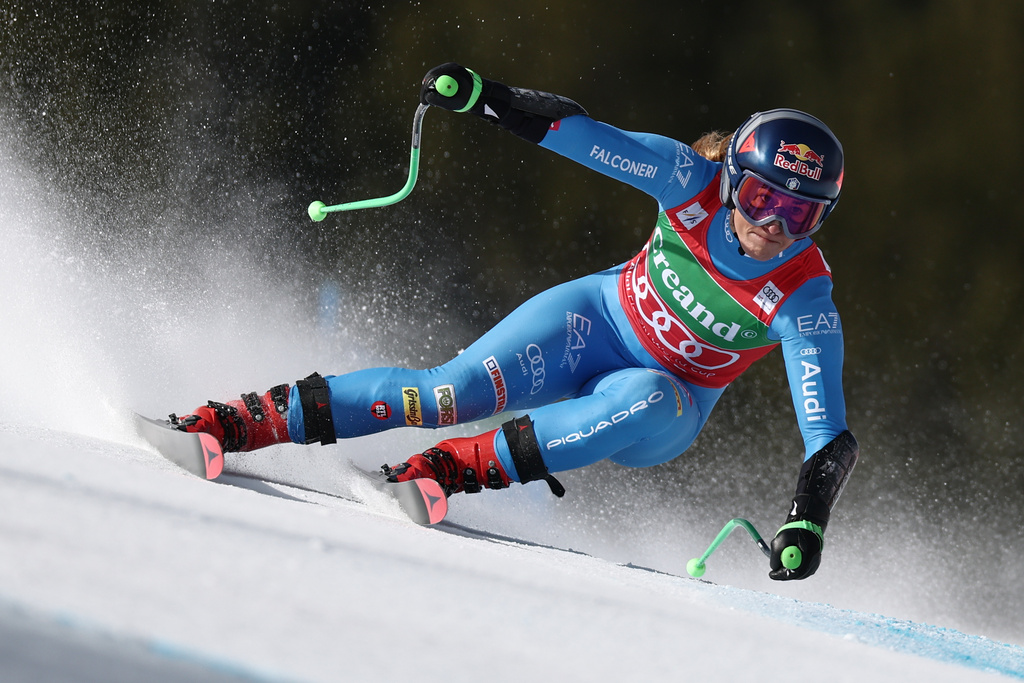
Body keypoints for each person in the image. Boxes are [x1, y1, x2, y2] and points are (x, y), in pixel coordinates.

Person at [172, 63, 859, 581]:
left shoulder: (803, 297)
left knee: (649, 394)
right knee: (444, 393)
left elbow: (827, 436)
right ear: (732, 177)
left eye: (799, 213)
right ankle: (239, 420)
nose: (773, 225)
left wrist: (808, 520)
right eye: (762, 197)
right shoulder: (688, 181)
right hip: (596, 320)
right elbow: (578, 134)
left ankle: (449, 469)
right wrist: (479, 95)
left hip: (667, 406)